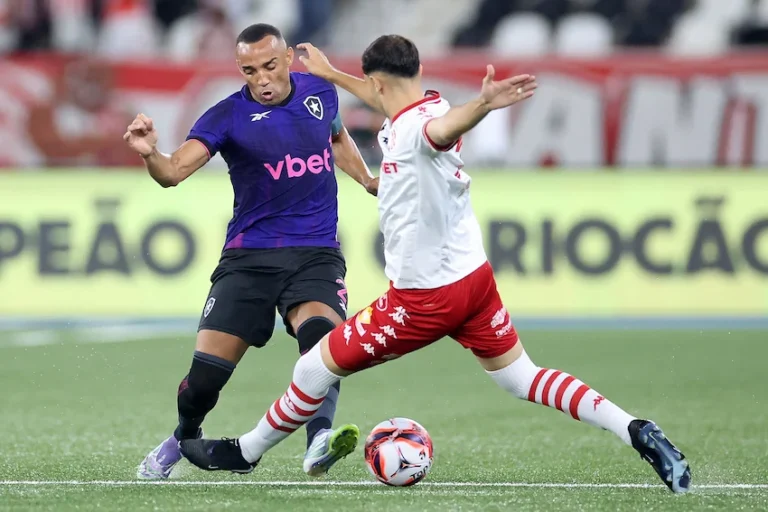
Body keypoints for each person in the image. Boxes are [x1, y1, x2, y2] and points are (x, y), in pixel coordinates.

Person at [178, 35, 691, 494]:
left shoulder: (418, 129)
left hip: (424, 298)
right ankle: (636, 429)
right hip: (475, 282)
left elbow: (442, 130)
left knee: (313, 366)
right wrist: (332, 76)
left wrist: (484, 106)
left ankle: (243, 452)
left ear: (378, 82)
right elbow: (407, 105)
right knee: (522, 379)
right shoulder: (425, 101)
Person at [124, 23, 377, 480]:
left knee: (322, 343)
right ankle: (182, 437)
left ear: (287, 60)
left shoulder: (322, 93)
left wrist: (367, 179)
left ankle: (319, 439)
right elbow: (174, 172)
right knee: (203, 383)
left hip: (315, 252)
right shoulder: (226, 116)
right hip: (249, 257)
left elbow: (337, 138)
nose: (261, 78)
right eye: (249, 70)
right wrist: (149, 154)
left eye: (269, 66)